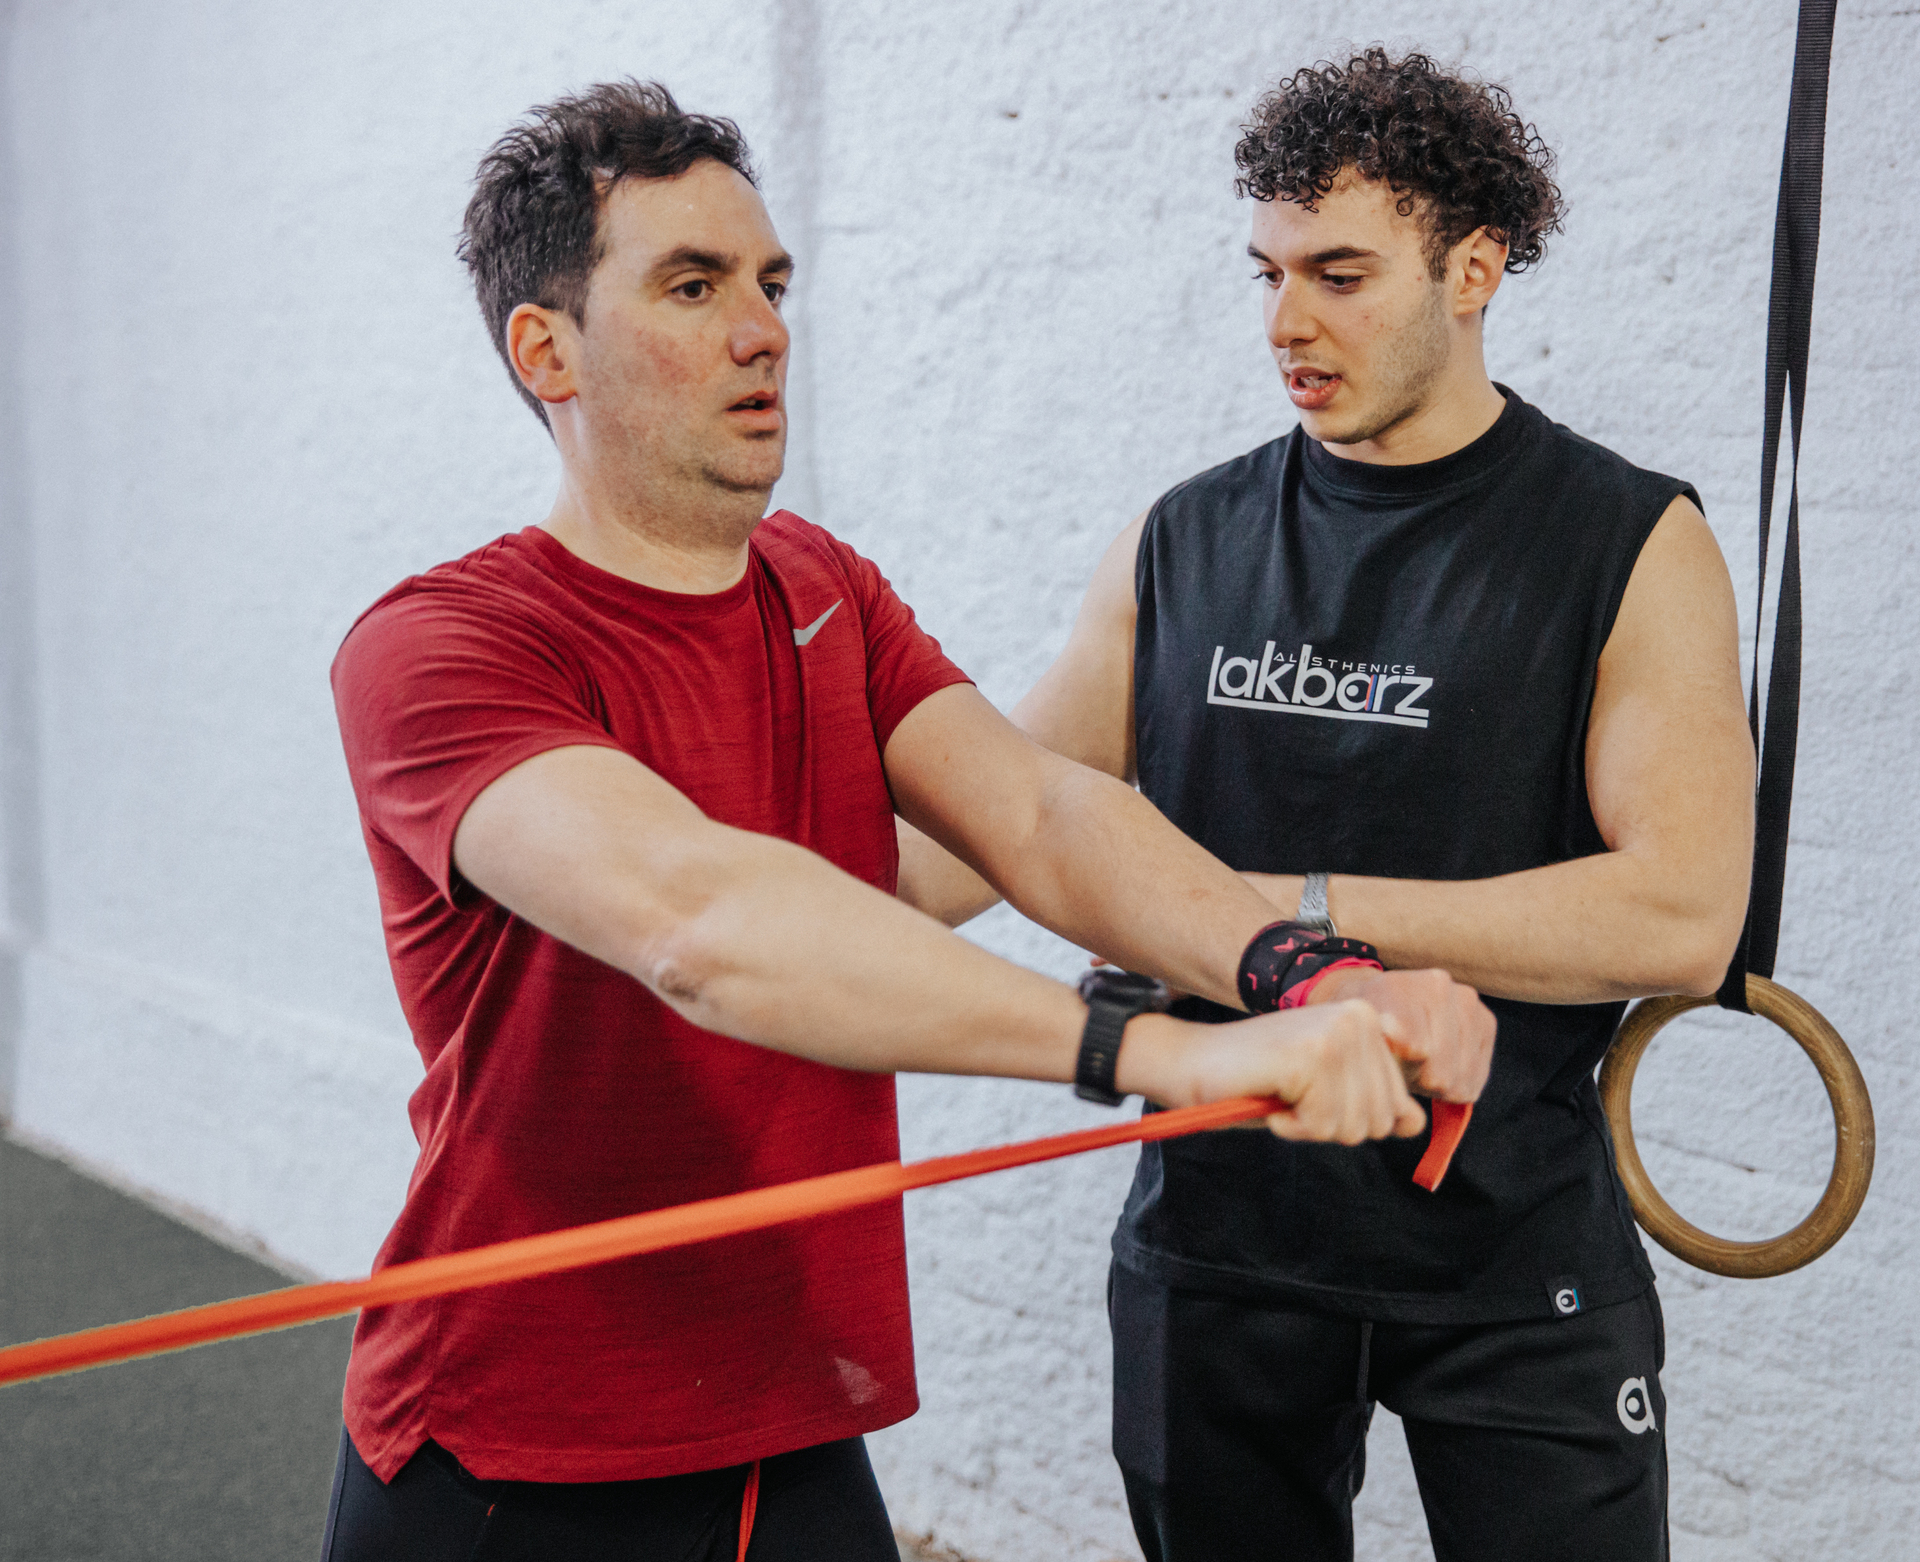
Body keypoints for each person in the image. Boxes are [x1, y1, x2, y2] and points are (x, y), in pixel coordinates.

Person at [319, 79, 1492, 1562]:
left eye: (771, 282)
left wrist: (1311, 976)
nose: (764, 330)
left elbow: (1043, 812)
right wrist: (1167, 1049)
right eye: (694, 286)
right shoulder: (443, 647)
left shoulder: (822, 587)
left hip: (789, 1414)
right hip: (522, 1442)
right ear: (545, 349)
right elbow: (697, 922)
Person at [898, 47, 1755, 1562]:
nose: (1287, 322)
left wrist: (1280, 915)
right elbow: (981, 832)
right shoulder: (1183, 539)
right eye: (1270, 273)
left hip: (1510, 1250)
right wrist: (690, 889)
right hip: (1219, 1241)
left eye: (1340, 275)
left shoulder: (1626, 540)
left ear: (1473, 269)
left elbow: (1682, 914)